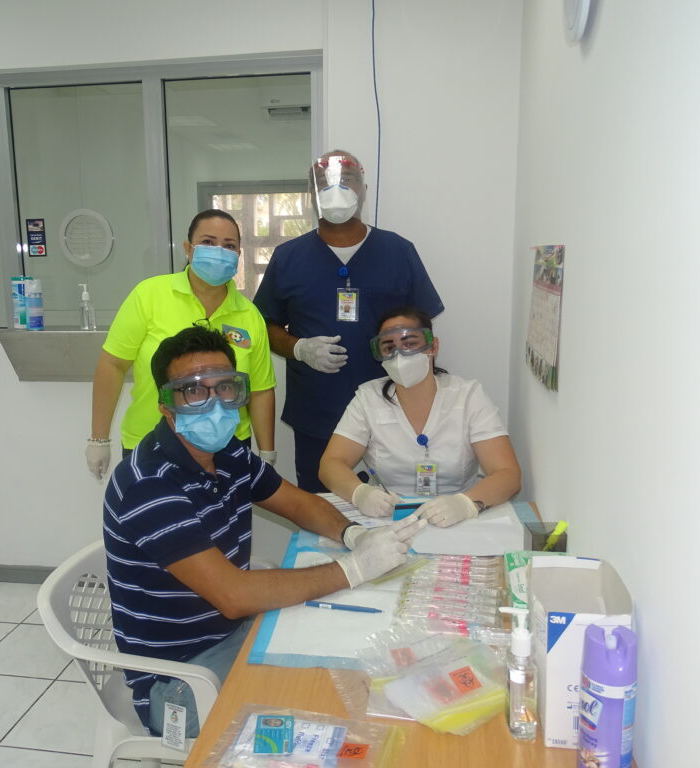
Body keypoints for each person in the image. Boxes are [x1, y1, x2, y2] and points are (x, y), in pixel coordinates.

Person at [103, 325, 426, 736]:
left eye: (225, 387)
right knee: (326, 699)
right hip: (179, 682)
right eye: (194, 391)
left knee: (358, 655)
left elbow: (298, 503)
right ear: (167, 405)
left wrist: (354, 535)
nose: (214, 403)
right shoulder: (149, 485)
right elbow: (235, 596)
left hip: (233, 631)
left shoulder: (227, 452)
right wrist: (354, 568)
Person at [254, 150, 444, 492]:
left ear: (363, 190)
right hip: (317, 413)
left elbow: (422, 328)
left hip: (393, 410)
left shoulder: (398, 251)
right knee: (322, 506)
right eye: (324, 182)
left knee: (395, 501)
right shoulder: (288, 258)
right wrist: (298, 348)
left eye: (346, 180)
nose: (335, 189)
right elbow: (262, 325)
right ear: (311, 194)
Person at [86, 210, 276, 480]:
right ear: (188, 249)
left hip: (227, 446)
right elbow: (112, 364)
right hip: (153, 443)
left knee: (227, 510)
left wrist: (267, 453)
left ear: (238, 255)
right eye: (208, 242)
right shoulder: (149, 295)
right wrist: (99, 438)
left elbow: (260, 390)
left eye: (229, 245)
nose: (219, 251)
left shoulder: (249, 315)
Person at [318, 307, 522, 527]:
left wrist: (465, 504)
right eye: (389, 347)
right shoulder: (368, 398)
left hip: (459, 520)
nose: (399, 354)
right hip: (388, 516)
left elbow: (508, 475)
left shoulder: (468, 396)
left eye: (409, 343)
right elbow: (331, 464)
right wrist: (360, 493)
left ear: (433, 346)